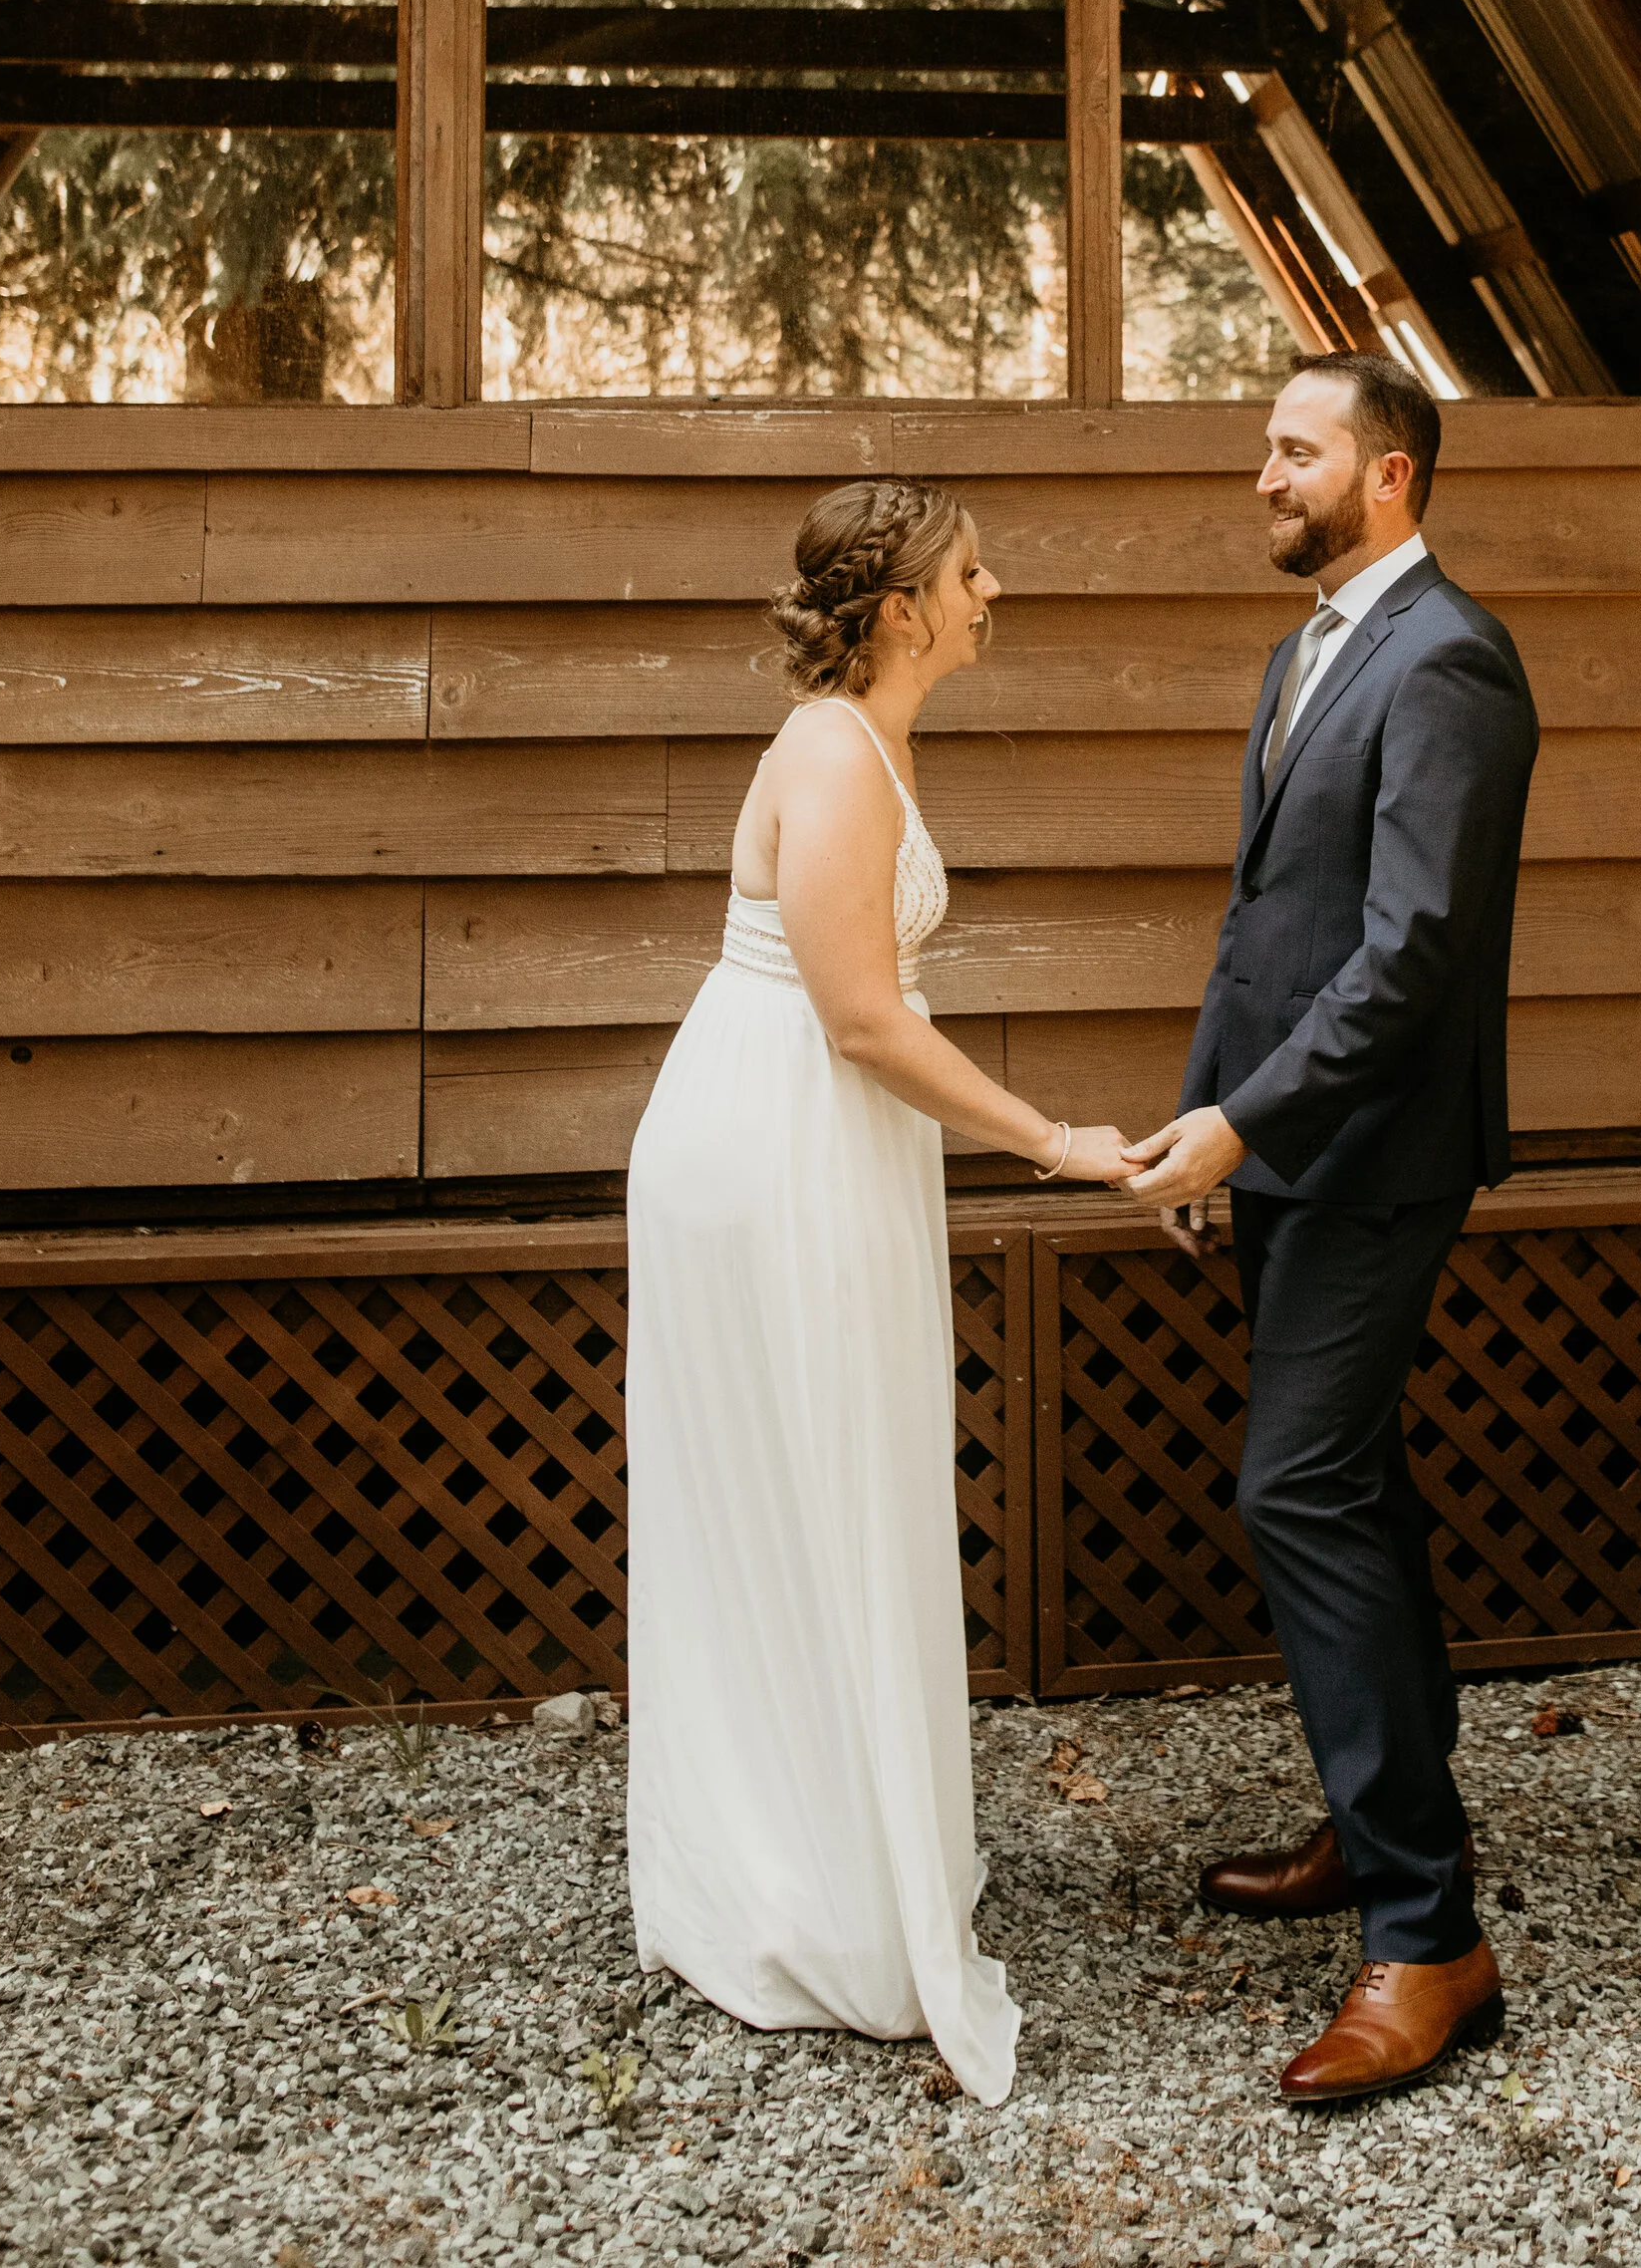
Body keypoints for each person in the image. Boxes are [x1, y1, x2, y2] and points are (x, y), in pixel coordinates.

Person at [624, 476, 1129, 2106]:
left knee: (845, 1478)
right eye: (974, 570)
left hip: (829, 1137)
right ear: (902, 603)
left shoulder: (874, 739)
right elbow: (859, 1014)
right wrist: (1053, 1139)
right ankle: (807, 1898)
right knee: (805, 1485)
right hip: (774, 1140)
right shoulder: (835, 750)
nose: (998, 587)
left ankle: (840, 1848)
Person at [1121, 353, 1538, 2107]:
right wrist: (1222, 1121)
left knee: (1290, 1485)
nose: (1263, 471)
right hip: (1291, 1148)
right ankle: (1378, 1833)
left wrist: (1247, 1117)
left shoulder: (1449, 660)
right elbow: (1268, 930)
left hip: (1375, 1154)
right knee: (1347, 1483)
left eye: (1295, 448)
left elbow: (1409, 955)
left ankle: (1430, 1931)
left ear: (1389, 475)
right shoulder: (1313, 647)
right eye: (1265, 442)